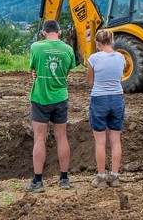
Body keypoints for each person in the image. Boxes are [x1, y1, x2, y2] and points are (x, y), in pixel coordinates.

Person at [26, 19, 77, 192]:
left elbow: (32, 69)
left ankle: (38, 181)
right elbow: (68, 72)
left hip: (40, 98)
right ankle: (64, 179)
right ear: (59, 31)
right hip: (60, 97)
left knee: (39, 138)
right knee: (61, 137)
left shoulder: (36, 47)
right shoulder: (68, 49)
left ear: (44, 32)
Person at [86, 29, 127, 188]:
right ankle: (115, 176)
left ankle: (101, 176)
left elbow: (90, 82)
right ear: (112, 41)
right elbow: (119, 77)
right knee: (115, 140)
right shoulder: (121, 57)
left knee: (100, 141)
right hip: (117, 98)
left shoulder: (93, 58)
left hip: (99, 99)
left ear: (98, 43)